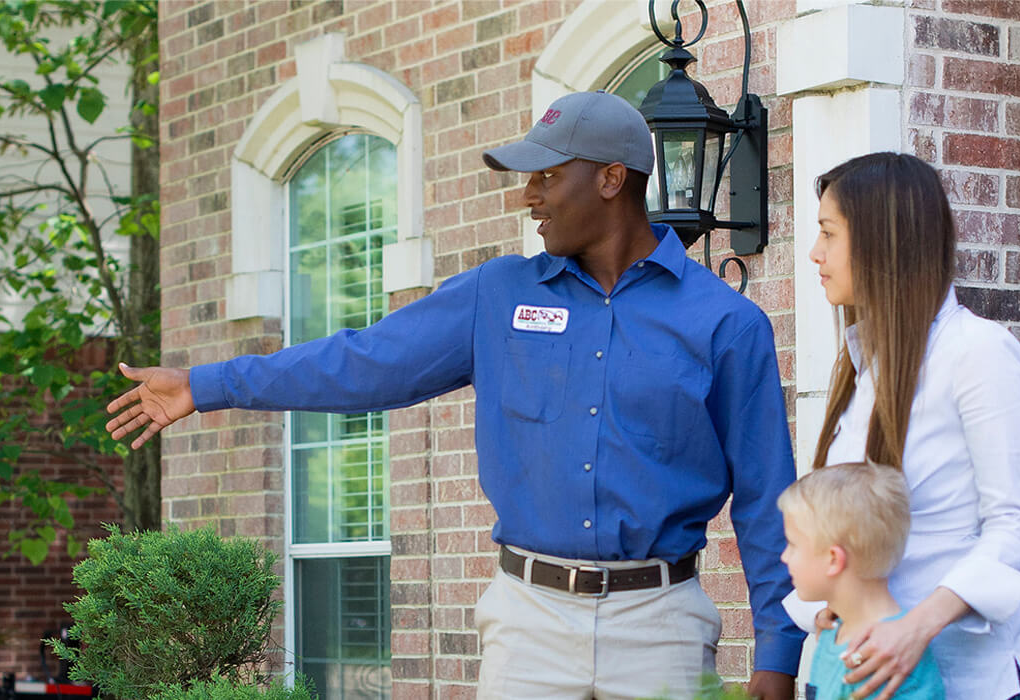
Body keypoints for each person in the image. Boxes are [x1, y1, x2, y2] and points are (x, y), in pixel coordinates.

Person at [105, 91, 804, 699]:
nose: (529, 196)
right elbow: (364, 363)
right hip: (529, 622)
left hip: (662, 625)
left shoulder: (724, 322)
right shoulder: (496, 297)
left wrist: (778, 649)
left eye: (547, 177)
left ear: (612, 179)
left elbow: (767, 495)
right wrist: (206, 384)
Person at [788, 152, 1020, 700]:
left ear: (881, 241)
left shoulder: (978, 352)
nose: (815, 254)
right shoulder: (862, 366)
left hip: (980, 678)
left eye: (828, 233)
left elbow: (1013, 525)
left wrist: (916, 627)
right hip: (875, 678)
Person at [776, 461, 944, 700]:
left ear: (833, 559)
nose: (784, 556)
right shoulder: (832, 634)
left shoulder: (893, 658)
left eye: (792, 544)